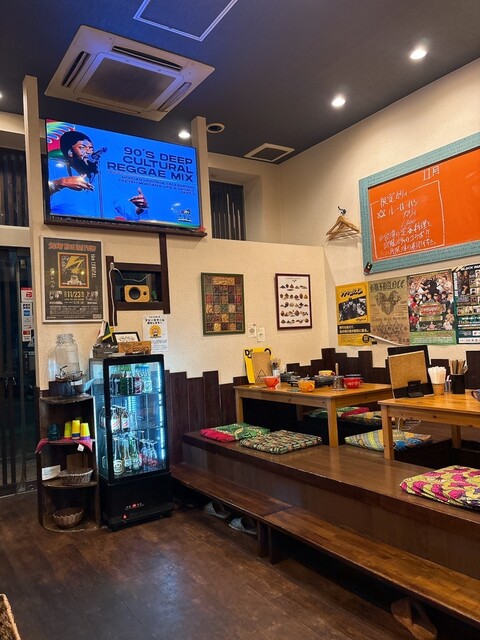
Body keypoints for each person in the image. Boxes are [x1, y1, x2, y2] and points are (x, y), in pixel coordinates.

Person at [48, 130, 148, 218]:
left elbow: (130, 212)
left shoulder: (104, 182)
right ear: (70, 152)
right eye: (82, 147)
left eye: (91, 148)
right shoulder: (53, 167)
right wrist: (60, 183)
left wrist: (141, 207)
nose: (89, 152)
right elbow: (40, 195)